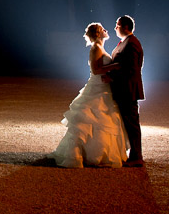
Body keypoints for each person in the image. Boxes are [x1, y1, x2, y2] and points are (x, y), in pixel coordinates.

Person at [50, 23, 129, 168]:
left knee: (104, 120)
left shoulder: (101, 47)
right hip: (97, 87)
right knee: (89, 120)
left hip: (104, 87)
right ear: (98, 34)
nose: (106, 30)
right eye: (102, 29)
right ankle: (81, 155)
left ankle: (98, 153)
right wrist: (115, 66)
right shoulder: (96, 48)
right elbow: (96, 70)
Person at [106, 15, 145, 167]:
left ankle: (137, 156)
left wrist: (112, 77)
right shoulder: (126, 43)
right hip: (124, 88)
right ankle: (134, 154)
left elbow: (131, 68)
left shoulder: (132, 44)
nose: (115, 27)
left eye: (118, 25)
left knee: (132, 123)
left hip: (127, 90)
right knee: (129, 123)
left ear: (125, 27)